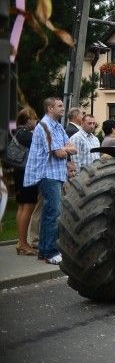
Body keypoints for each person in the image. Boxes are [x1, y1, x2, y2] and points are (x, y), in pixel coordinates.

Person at [22, 97, 76, 264]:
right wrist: (65, 150)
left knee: (49, 213)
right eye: (59, 106)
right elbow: (59, 153)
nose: (62, 108)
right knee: (54, 213)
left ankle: (45, 251)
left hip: (57, 175)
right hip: (48, 175)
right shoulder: (45, 126)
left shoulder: (58, 126)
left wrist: (64, 149)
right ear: (50, 108)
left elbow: (71, 148)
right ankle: (51, 252)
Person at [12, 108, 39, 256]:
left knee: (22, 207)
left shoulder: (18, 132)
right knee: (27, 208)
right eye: (34, 119)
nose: (36, 122)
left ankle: (20, 241)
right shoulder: (27, 135)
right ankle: (23, 243)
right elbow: (38, 149)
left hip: (19, 174)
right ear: (28, 120)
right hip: (27, 175)